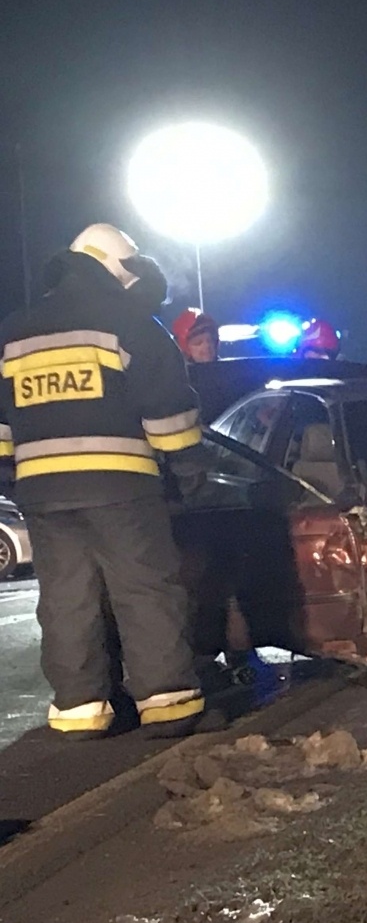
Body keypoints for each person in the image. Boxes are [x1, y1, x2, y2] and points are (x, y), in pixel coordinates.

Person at [0, 224, 216, 738]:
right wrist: (189, 476)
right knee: (144, 591)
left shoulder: (15, 332)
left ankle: (79, 710)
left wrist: (14, 480)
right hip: (123, 489)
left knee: (65, 598)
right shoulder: (132, 323)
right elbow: (168, 414)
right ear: (121, 270)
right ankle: (168, 703)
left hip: (43, 495)